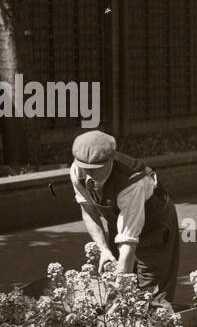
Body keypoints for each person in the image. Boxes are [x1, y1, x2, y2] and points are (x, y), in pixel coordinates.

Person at [69, 130, 180, 307]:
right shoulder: (77, 171)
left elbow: (128, 243)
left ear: (111, 159)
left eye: (96, 169)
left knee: (151, 294)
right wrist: (104, 249)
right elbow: (88, 211)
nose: (90, 173)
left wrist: (119, 294)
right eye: (86, 168)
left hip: (154, 227)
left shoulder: (131, 183)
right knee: (113, 277)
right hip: (120, 221)